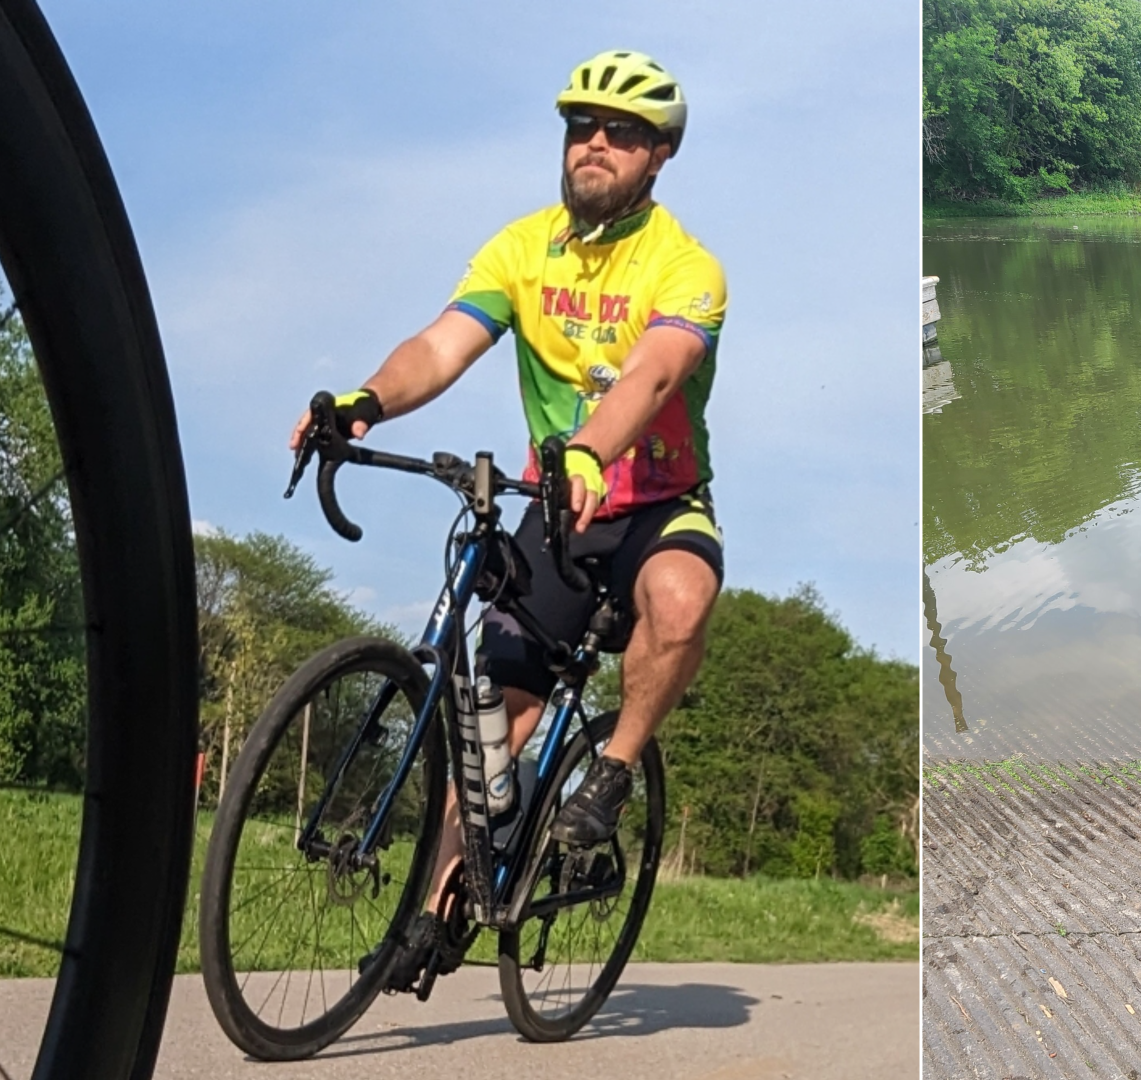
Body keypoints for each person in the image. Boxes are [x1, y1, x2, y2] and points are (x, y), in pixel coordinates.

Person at [289, 49, 727, 986]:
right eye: (582, 128)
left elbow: (651, 373)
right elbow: (443, 346)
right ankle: (442, 908)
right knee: (497, 726)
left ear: (659, 156)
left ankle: (612, 766)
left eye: (622, 133)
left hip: (655, 505)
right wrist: (362, 402)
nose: (596, 146)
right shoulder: (521, 248)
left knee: (682, 598)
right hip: (556, 513)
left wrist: (587, 451)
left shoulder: (687, 268)